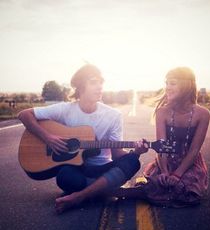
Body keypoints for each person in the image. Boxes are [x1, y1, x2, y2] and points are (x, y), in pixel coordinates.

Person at [18, 64, 148, 214]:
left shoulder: (113, 115)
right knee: (64, 176)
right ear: (80, 86)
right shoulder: (65, 109)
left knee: (132, 161)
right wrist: (48, 138)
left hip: (104, 170)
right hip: (79, 171)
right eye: (93, 82)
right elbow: (24, 115)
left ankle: (80, 196)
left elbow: (117, 154)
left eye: (101, 82)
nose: (100, 87)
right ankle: (110, 190)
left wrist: (136, 152)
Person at [112, 67, 210, 208]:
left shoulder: (203, 114)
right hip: (165, 161)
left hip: (189, 163)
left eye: (172, 83)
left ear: (187, 85)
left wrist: (177, 174)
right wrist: (165, 171)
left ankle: (140, 192)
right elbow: (162, 148)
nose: (167, 88)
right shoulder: (162, 112)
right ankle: (131, 192)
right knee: (160, 183)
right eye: (166, 83)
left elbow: (194, 150)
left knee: (185, 191)